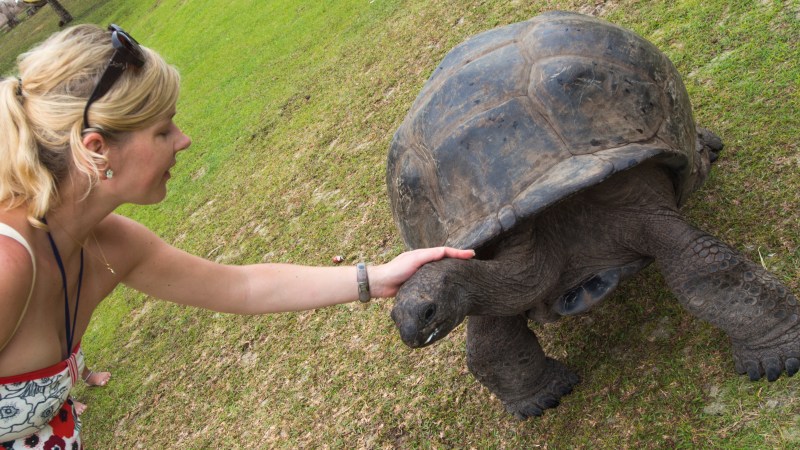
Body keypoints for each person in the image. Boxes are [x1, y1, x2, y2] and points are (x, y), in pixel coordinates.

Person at [0, 24, 474, 448]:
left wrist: (379, 277)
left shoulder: (110, 244)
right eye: (164, 130)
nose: (184, 140)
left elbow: (240, 287)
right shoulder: (8, 264)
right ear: (97, 149)